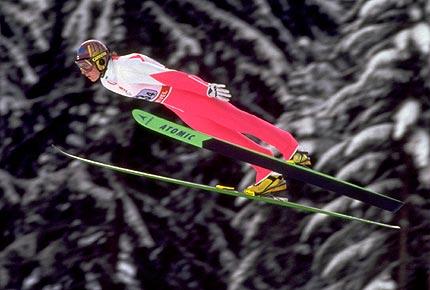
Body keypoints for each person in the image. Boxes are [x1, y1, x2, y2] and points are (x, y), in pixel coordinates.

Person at [74, 39, 311, 195]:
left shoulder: (127, 66)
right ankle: (266, 169)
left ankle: (291, 148)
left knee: (239, 122)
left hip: (187, 95)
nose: (84, 72)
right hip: (175, 104)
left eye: (86, 65)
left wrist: (205, 88)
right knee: (225, 139)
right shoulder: (108, 80)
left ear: (100, 58)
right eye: (81, 67)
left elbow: (172, 77)